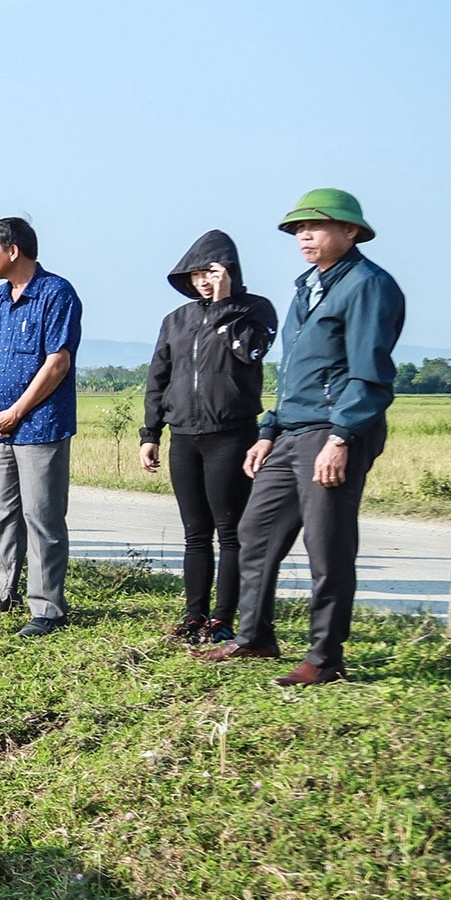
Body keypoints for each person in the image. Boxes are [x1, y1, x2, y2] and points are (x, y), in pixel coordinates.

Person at [201, 189, 404, 686]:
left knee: (326, 544)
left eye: (314, 227)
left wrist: (342, 437)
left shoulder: (368, 286)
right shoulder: (307, 286)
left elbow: (369, 373)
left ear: (350, 231)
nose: (303, 237)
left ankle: (325, 657)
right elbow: (292, 373)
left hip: (334, 431)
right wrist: (268, 431)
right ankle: (255, 637)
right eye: (297, 230)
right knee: (255, 531)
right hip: (291, 431)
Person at [139, 230, 277, 645]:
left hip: (231, 436)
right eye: (197, 273)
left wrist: (224, 303)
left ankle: (222, 619)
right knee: (195, 533)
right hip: (184, 436)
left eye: (211, 272)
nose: (203, 280)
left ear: (229, 271)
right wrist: (151, 432)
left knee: (229, 530)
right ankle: (194, 615)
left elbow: (247, 353)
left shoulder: (255, 311)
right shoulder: (176, 321)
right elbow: (158, 378)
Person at [0, 218, 83, 637]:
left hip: (41, 424)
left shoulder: (56, 294)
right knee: (4, 512)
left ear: (13, 250)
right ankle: (2, 590)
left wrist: (18, 409)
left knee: (43, 516)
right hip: (1, 425)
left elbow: (57, 363)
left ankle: (48, 607)